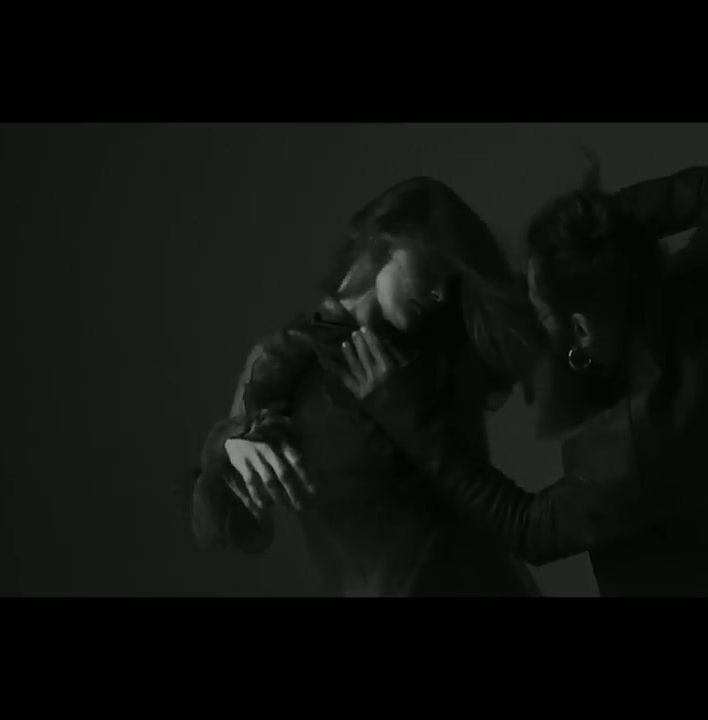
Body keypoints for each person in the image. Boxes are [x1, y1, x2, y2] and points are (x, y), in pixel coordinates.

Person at [344, 159, 708, 596]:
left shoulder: (634, 444)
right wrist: (601, 236)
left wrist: (404, 414)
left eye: (543, 313)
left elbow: (527, 529)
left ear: (580, 329)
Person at [187, 176, 544, 597]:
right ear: (385, 238)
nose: (438, 293)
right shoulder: (289, 360)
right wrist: (227, 449)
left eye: (449, 280)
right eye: (432, 267)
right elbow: (214, 524)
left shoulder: (440, 353)